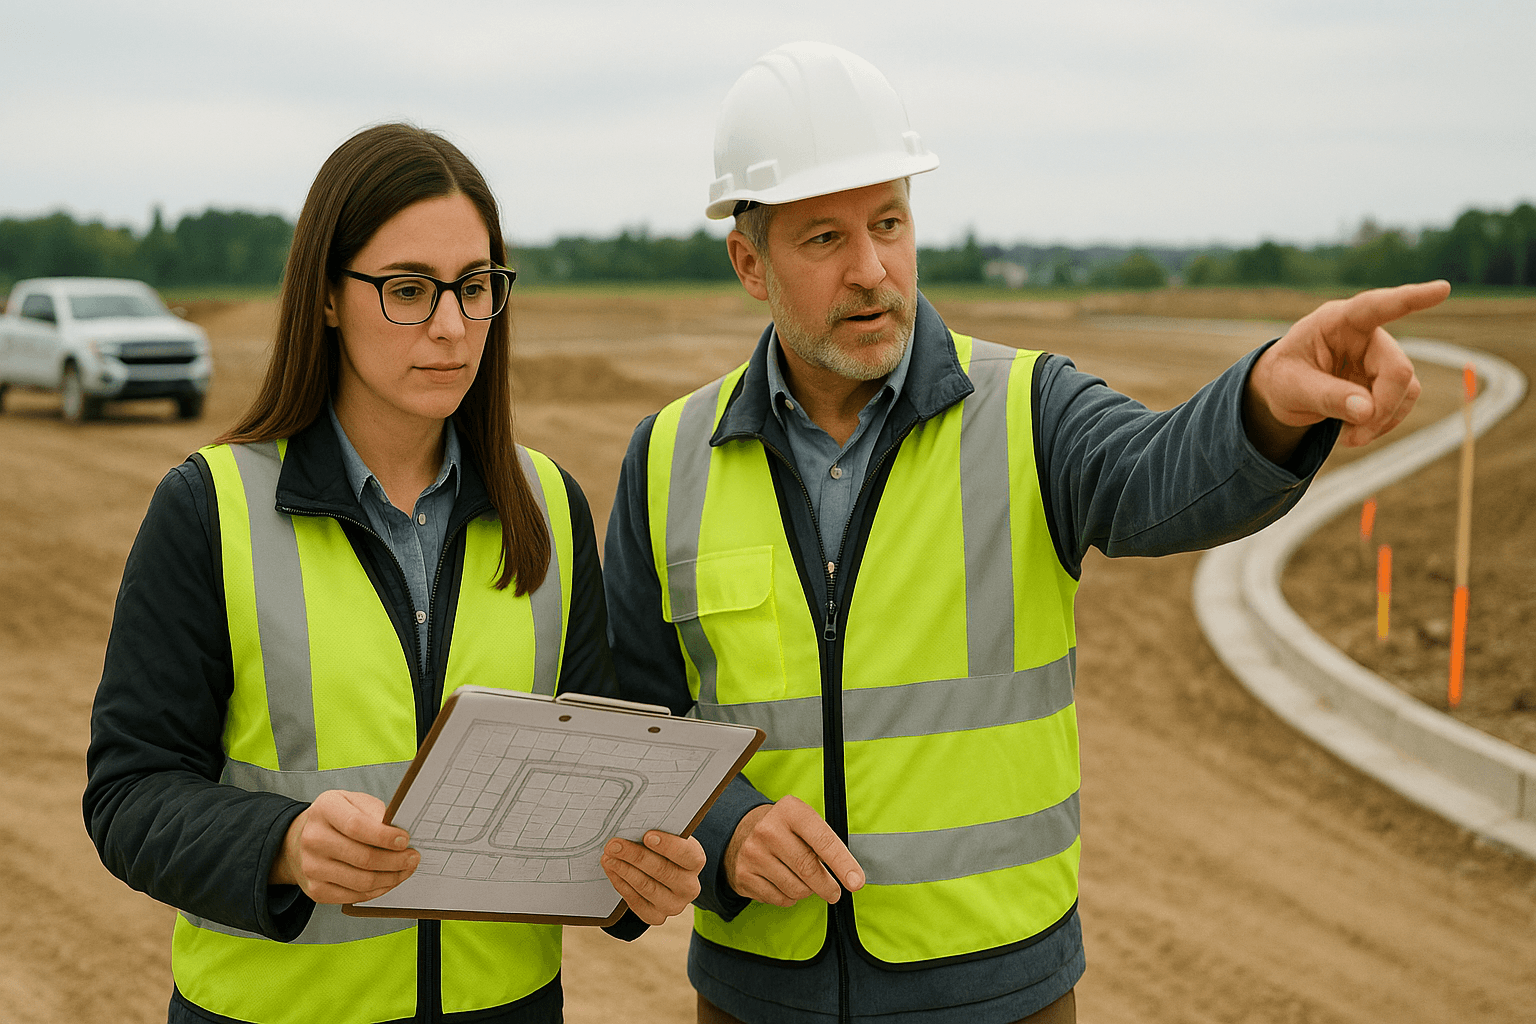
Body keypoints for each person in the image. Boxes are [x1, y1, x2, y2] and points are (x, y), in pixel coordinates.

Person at [601, 42, 1449, 1024]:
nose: (873, 269)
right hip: (758, 999)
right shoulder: (668, 455)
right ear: (749, 261)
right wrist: (733, 827)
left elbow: (1157, 473)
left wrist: (1263, 400)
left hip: (1000, 994)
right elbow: (637, 721)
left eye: (889, 222)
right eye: (824, 239)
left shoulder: (1029, 408)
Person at [83, 123, 706, 1024]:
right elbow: (128, 794)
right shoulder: (207, 509)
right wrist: (283, 843)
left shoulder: (551, 506)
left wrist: (638, 871)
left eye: (476, 287)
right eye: (409, 290)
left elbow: (592, 780)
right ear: (328, 297)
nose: (452, 326)